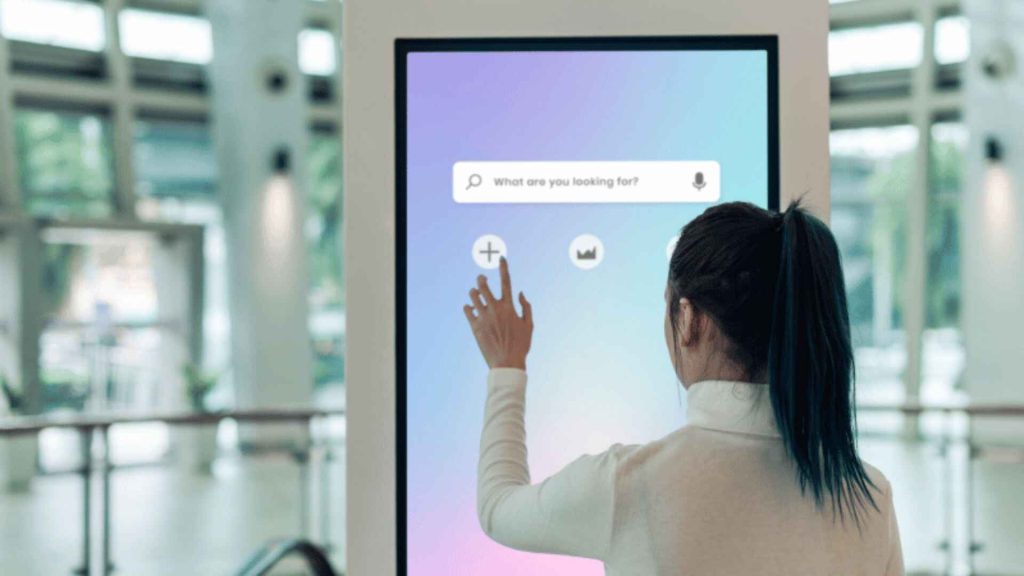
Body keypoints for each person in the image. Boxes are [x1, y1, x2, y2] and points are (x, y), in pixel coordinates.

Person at [462, 201, 904, 575]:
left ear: (689, 319)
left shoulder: (628, 484)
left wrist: (507, 368)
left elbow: (499, 508)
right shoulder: (871, 498)